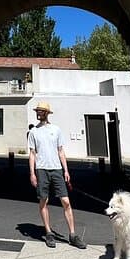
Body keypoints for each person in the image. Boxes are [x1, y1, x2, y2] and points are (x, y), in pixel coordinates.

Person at [28, 101, 85, 249]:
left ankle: (73, 235)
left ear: (46, 113)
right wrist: (32, 173)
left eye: (41, 111)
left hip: (57, 169)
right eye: (37, 111)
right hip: (41, 169)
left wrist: (66, 170)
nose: (38, 113)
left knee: (66, 201)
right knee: (43, 201)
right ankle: (48, 232)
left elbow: (61, 151)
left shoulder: (56, 130)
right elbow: (32, 154)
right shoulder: (34, 132)